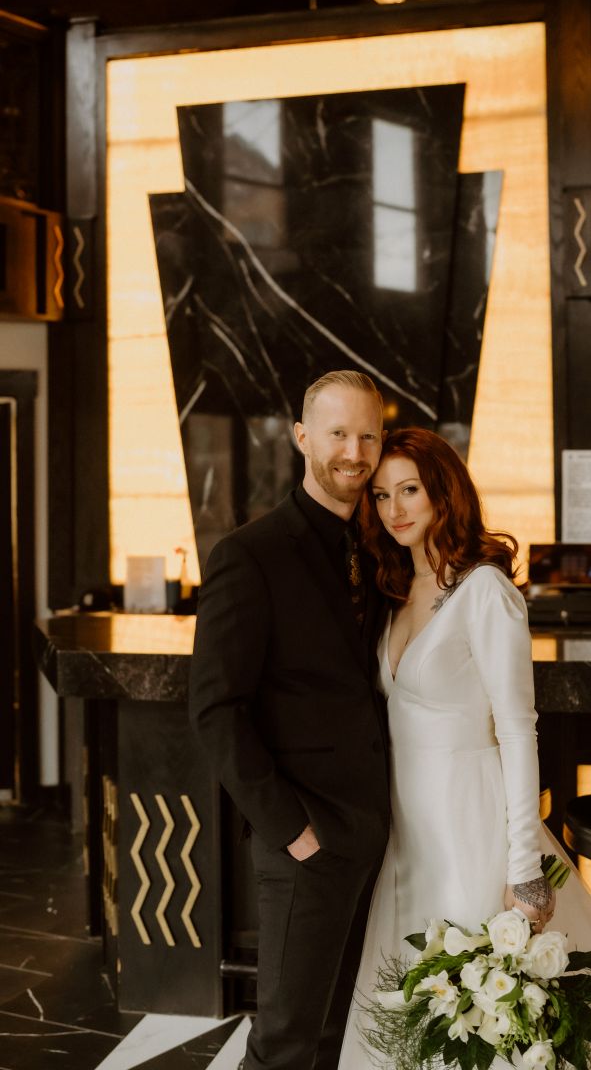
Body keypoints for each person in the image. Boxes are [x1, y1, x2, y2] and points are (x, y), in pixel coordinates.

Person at [338, 427, 591, 1069]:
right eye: (380, 495)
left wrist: (522, 865)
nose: (394, 508)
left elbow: (519, 730)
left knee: (489, 1013)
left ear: (443, 491)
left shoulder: (484, 591)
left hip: (472, 824)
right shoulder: (397, 590)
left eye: (409, 489)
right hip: (410, 830)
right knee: (420, 1003)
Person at [189, 370, 391, 1070]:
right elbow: (215, 708)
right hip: (307, 840)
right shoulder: (249, 555)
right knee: (283, 1045)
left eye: (368, 435)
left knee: (342, 1038)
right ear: (302, 437)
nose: (354, 451)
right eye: (338, 433)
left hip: (378, 837)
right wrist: (291, 831)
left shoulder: (378, 547)